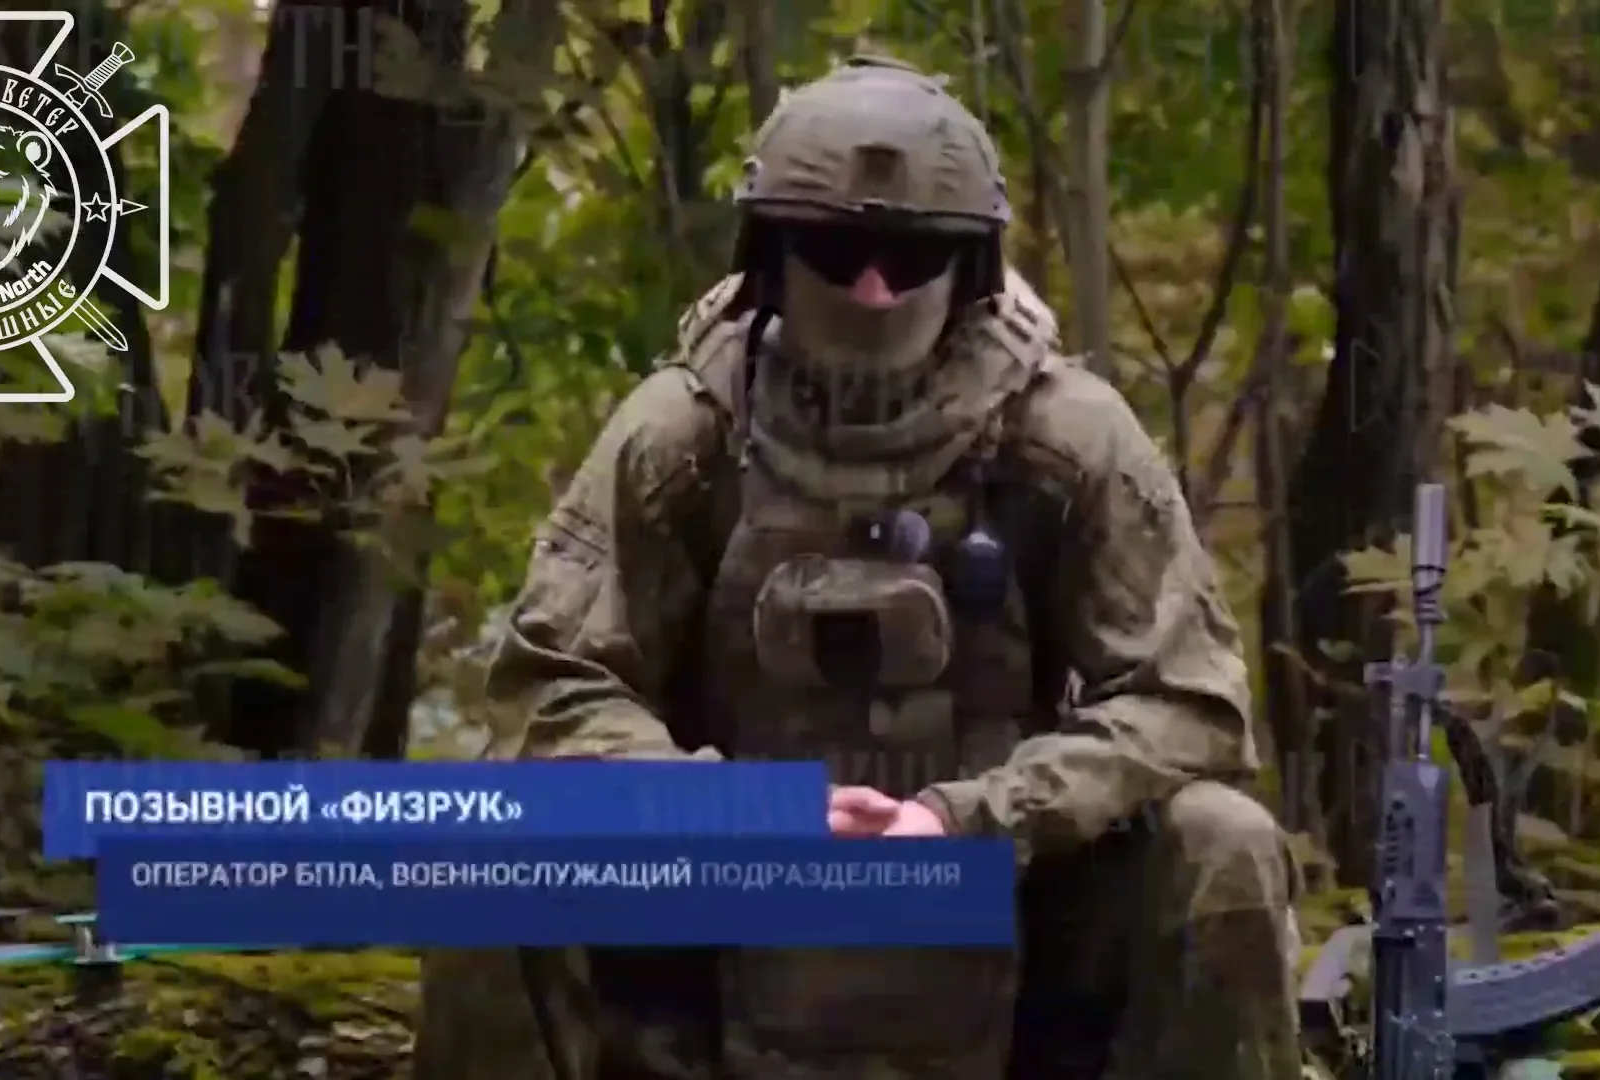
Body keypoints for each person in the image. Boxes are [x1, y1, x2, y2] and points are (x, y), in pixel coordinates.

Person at [479, 55, 1302, 1080]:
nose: (873, 287)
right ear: (773, 251)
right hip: (715, 932)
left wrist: (976, 818)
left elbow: (1193, 705)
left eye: (911, 257)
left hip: (1021, 931)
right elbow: (552, 688)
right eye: (839, 250)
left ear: (973, 262)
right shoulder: (685, 435)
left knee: (1222, 842)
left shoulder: (1064, 440)